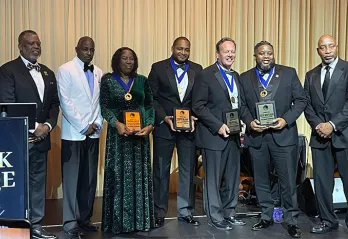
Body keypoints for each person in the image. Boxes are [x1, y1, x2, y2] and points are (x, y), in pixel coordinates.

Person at [239, 41, 306, 238]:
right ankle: (266, 216)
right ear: (255, 55)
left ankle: (291, 220)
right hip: (257, 137)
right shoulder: (245, 77)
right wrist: (250, 122)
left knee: (287, 181)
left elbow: (301, 100)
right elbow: (241, 106)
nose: (266, 56)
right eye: (261, 53)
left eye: (269, 53)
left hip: (283, 136)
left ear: (274, 54)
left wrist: (285, 120)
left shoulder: (289, 73)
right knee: (260, 181)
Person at [0, 30, 59, 239]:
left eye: (38, 43)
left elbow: (54, 105)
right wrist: (35, 127)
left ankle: (36, 227)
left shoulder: (48, 73)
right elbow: (8, 104)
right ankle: (16, 230)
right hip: (17, 142)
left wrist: (48, 127)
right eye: (30, 43)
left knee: (37, 184)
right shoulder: (8, 71)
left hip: (42, 139)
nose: (35, 47)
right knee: (18, 186)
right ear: (20, 46)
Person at [148, 36, 203, 228]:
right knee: (161, 171)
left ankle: (186, 211)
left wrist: (195, 116)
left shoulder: (197, 69)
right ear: (172, 48)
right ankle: (158, 212)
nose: (183, 52)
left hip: (189, 129)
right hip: (164, 127)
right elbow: (151, 99)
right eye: (180, 48)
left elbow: (200, 98)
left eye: (187, 49)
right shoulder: (158, 68)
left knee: (188, 170)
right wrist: (164, 118)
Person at [192, 37, 246, 231]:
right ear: (217, 54)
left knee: (232, 178)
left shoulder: (237, 76)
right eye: (226, 51)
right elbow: (198, 106)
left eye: (233, 51)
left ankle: (229, 213)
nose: (230, 54)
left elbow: (237, 104)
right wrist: (218, 125)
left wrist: (241, 122)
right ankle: (215, 216)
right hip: (213, 136)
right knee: (213, 180)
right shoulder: (206, 75)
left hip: (233, 135)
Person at [100, 47, 155, 234]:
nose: (129, 62)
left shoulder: (142, 81)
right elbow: (104, 107)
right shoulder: (107, 80)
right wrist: (116, 124)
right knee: (119, 177)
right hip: (118, 138)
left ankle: (140, 221)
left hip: (139, 138)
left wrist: (149, 125)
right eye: (125, 58)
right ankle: (117, 223)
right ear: (117, 60)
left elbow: (149, 105)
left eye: (132, 58)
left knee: (138, 178)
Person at [56, 36, 103, 238]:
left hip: (94, 133)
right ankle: (70, 221)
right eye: (85, 49)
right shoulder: (65, 70)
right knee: (72, 179)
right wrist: (84, 125)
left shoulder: (99, 72)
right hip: (74, 134)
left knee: (90, 179)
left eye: (92, 49)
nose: (89, 53)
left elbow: (100, 102)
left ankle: (85, 218)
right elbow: (65, 102)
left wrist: (98, 123)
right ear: (77, 49)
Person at [304, 34, 348, 233]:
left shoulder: (347, 69)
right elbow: (307, 105)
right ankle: (328, 221)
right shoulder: (310, 74)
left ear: (337, 47)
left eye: (331, 46)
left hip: (344, 135)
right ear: (318, 50)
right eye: (323, 47)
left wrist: (332, 124)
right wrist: (319, 126)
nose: (328, 50)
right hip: (319, 137)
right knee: (322, 183)